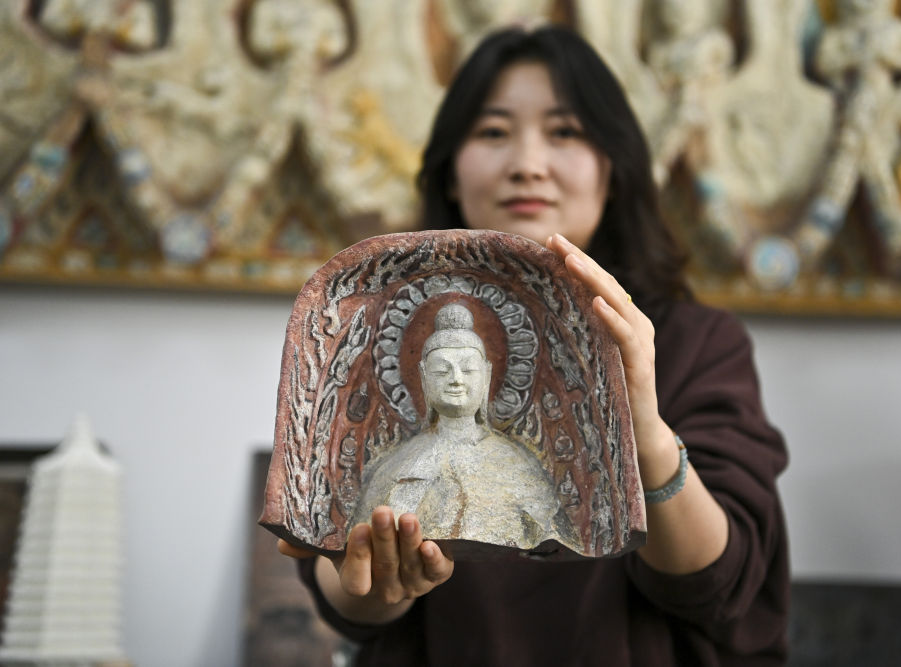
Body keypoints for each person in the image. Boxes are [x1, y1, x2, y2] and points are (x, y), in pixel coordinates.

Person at [279, 25, 788, 665]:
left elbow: (721, 581)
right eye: (493, 132)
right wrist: (382, 579)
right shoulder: (371, 333)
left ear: (612, 168)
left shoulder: (696, 343)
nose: (527, 163)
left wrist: (644, 430)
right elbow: (343, 592)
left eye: (564, 132)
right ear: (451, 172)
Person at [350, 302, 579, 553]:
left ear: (486, 376)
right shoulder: (399, 465)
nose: (456, 380)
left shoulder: (516, 463)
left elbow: (550, 534)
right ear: (424, 377)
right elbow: (368, 534)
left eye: (468, 369)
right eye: (442, 371)